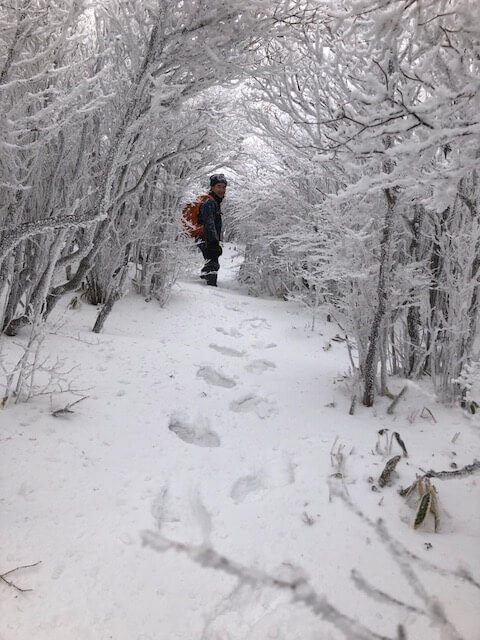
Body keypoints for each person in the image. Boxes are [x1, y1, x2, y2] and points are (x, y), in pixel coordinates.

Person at [197, 174, 227, 286]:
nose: (222, 190)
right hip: (207, 239)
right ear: (212, 187)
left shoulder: (214, 202)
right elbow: (209, 223)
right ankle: (210, 289)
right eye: (219, 186)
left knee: (211, 263)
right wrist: (214, 243)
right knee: (213, 264)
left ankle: (205, 281)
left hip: (207, 239)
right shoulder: (209, 203)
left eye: (224, 187)